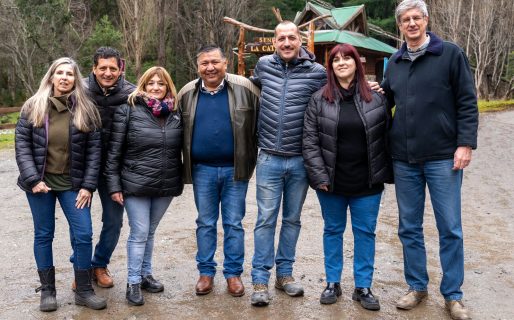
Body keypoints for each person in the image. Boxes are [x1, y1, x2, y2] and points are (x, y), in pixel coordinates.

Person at [381, 1, 478, 319]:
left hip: (442, 157)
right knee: (409, 227)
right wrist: (374, 92)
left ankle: (453, 294)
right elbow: (387, 100)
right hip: (404, 159)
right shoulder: (394, 62)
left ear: (426, 20)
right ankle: (417, 287)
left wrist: (465, 143)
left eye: (416, 18)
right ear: (399, 26)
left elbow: (466, 99)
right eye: (405, 19)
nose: (411, 23)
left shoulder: (449, 53)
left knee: (450, 227)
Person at [303, 44, 393, 310]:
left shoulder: (377, 98)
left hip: (367, 181)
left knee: (365, 233)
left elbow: (388, 136)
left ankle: (363, 286)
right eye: (336, 60)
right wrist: (319, 176)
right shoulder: (319, 99)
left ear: (358, 63)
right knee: (333, 231)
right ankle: (332, 282)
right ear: (330, 67)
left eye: (347, 58)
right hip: (331, 182)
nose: (341, 63)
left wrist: (384, 173)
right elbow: (309, 142)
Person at [15, 57, 107, 311]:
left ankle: (84, 290)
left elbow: (94, 152)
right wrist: (33, 180)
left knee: (84, 233)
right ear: (51, 77)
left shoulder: (86, 110)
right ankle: (47, 291)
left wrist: (88, 186)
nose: (65, 78)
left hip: (73, 185)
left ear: (76, 80)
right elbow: (22, 148)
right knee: (44, 234)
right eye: (60, 73)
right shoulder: (33, 107)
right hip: (40, 185)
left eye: (70, 74)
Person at [249, 21, 327, 306]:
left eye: (291, 38)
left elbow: (334, 98)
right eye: (281, 38)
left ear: (300, 41)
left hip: (300, 161)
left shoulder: (317, 73)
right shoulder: (263, 66)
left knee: (292, 219)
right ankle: (260, 280)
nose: (286, 43)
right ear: (274, 42)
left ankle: (285, 275)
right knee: (265, 219)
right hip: (268, 157)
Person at [177, 45, 259, 297]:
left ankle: (233, 274)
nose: (210, 68)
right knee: (205, 223)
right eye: (204, 63)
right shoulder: (187, 93)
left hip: (236, 170)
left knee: (234, 223)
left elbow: (260, 125)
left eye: (215, 62)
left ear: (226, 64)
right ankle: (206, 273)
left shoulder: (246, 89)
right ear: (197, 66)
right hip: (203, 170)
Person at [104, 66, 183, 306]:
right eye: (151, 83)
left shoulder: (176, 113)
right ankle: (133, 281)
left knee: (150, 231)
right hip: (134, 183)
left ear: (168, 87)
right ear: (144, 86)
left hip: (165, 184)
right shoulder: (127, 110)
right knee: (139, 232)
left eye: (161, 84)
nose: (156, 87)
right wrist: (114, 186)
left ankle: (146, 275)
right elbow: (114, 152)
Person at [79, 47, 135, 289]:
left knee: (113, 221)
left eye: (113, 68)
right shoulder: (79, 89)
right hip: (81, 168)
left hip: (115, 170)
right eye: (103, 68)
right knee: (80, 224)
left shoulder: (131, 93)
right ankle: (80, 267)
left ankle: (99, 264)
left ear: (120, 69)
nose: (108, 72)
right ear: (94, 69)